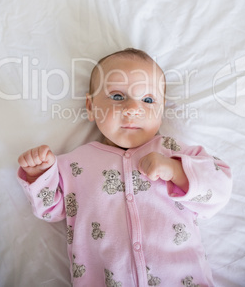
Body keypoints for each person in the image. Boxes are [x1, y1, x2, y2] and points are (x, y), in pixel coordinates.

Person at [17, 48, 232, 287]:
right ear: (91, 106)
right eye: (118, 96)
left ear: (160, 112)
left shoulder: (173, 151)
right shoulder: (74, 164)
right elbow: (51, 210)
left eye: (148, 100)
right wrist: (40, 175)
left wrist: (176, 171)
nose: (132, 108)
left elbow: (219, 186)